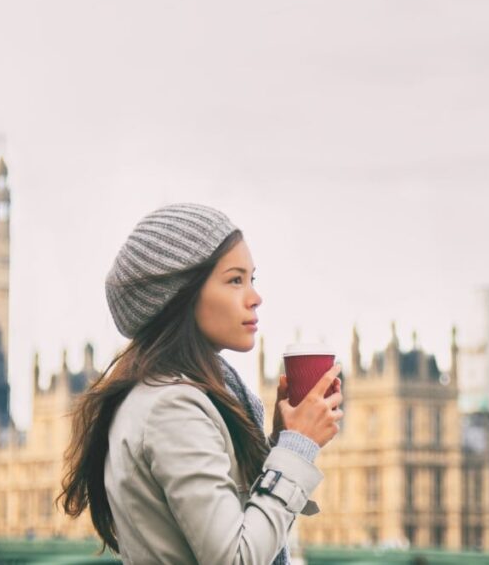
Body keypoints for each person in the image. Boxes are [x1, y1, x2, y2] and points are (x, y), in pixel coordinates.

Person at [59, 203, 343, 564]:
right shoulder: (171, 407)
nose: (255, 297)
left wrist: (279, 444)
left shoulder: (184, 396)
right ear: (181, 295)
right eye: (234, 280)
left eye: (251, 279)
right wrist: (297, 448)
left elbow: (235, 524)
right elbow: (235, 557)